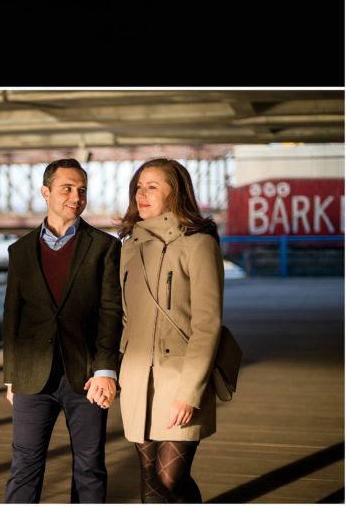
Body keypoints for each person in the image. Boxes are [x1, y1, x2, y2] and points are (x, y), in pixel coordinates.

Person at [3, 159, 122, 503]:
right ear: (46, 192)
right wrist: (11, 375)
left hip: (86, 376)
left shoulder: (104, 247)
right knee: (24, 466)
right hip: (30, 377)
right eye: (67, 188)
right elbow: (13, 316)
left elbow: (111, 312)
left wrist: (105, 370)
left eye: (81, 190)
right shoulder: (21, 250)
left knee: (90, 467)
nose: (76, 197)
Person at [118, 159, 224, 503]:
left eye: (152, 186)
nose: (142, 194)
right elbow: (123, 316)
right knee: (149, 476)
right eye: (138, 187)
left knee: (170, 478)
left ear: (174, 192)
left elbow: (207, 324)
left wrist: (189, 392)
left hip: (179, 377)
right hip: (136, 378)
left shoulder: (198, 242)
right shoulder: (129, 245)